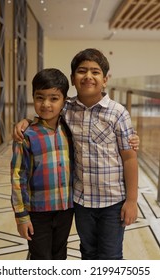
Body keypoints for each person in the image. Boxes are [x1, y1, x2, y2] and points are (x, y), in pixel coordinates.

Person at [13, 48, 139, 260]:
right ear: (73, 78)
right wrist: (26, 121)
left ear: (105, 79)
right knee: (87, 252)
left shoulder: (118, 113)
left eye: (95, 72)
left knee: (110, 256)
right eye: (82, 71)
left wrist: (132, 200)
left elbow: (129, 158)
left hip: (113, 201)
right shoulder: (67, 108)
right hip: (81, 202)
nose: (88, 76)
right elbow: (47, 108)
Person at [11, 68, 74, 260]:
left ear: (64, 101)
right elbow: (17, 176)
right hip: (38, 211)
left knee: (59, 254)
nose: (46, 104)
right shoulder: (26, 135)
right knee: (40, 257)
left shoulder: (70, 129)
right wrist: (21, 216)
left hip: (66, 208)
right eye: (40, 98)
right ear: (33, 97)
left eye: (54, 98)